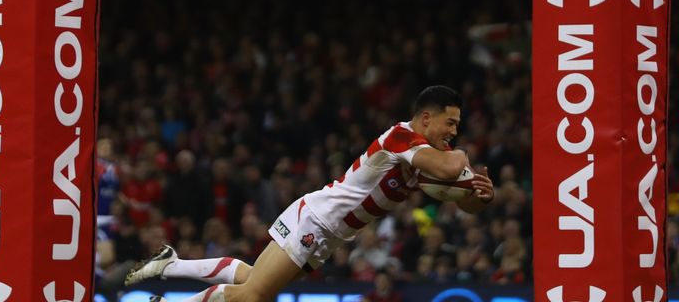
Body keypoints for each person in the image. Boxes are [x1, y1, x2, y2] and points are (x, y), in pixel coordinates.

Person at [125, 85, 495, 302]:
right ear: (426, 119)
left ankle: (170, 264)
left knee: (252, 281)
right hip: (317, 221)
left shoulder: (426, 158)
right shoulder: (401, 139)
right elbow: (450, 170)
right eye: (451, 123)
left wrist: (480, 193)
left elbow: (463, 201)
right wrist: (463, 162)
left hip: (324, 229)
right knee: (255, 296)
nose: (455, 133)